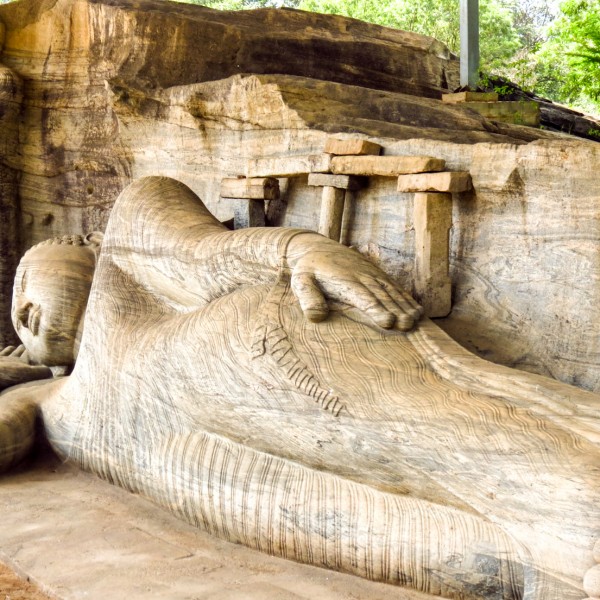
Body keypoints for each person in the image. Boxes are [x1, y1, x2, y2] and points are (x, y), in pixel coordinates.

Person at [0, 176, 598, 600]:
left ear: (88, 249)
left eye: (30, 278)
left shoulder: (124, 253)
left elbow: (198, 250)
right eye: (17, 314)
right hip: (230, 468)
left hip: (256, 351)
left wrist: (301, 248)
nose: (23, 310)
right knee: (501, 548)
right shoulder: (57, 403)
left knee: (482, 442)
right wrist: (21, 372)